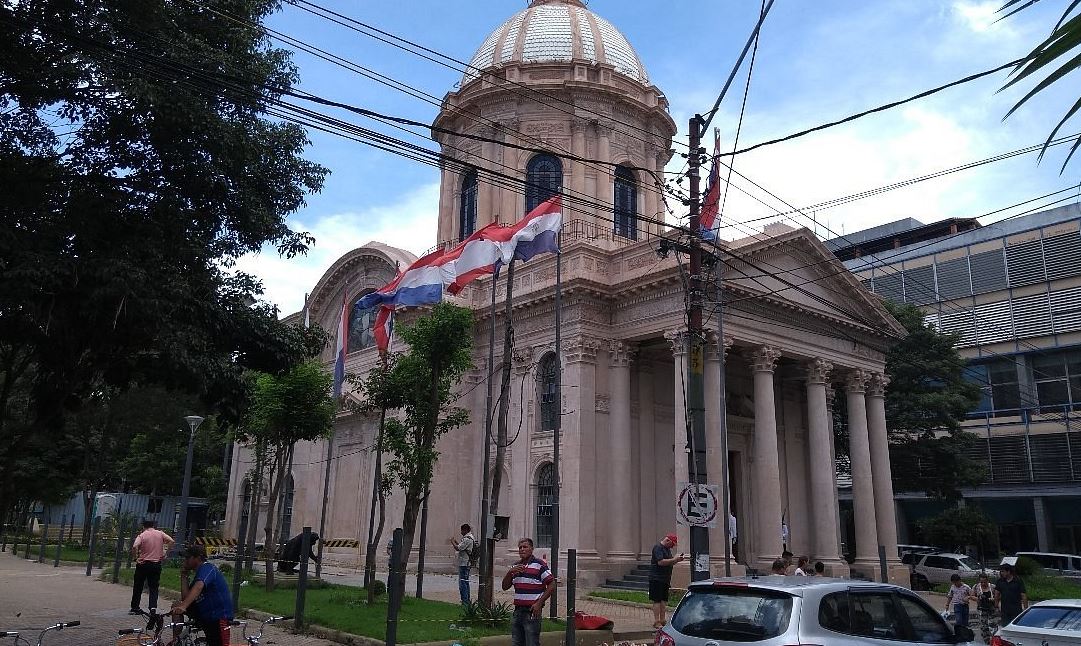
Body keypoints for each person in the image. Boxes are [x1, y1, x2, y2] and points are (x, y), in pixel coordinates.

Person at [171, 544, 233, 646]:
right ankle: (176, 641)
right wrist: (184, 576)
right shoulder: (198, 574)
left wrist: (183, 606)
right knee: (176, 605)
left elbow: (199, 586)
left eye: (188, 557)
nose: (185, 561)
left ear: (198, 558)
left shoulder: (207, 568)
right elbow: (186, 598)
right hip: (206, 614)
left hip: (219, 616)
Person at [501, 537, 555, 646]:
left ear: (531, 549)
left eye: (525, 547)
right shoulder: (515, 566)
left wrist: (539, 603)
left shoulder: (539, 565)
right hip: (517, 612)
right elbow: (505, 587)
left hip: (531, 612)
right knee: (517, 642)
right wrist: (509, 572)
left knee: (532, 642)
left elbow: (552, 584)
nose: (522, 549)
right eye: (520, 547)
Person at [129, 519, 174, 614]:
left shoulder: (142, 535)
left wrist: (135, 558)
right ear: (153, 526)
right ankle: (152, 607)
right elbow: (171, 541)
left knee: (138, 586)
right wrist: (166, 553)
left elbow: (134, 546)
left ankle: (135, 607)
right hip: (156, 564)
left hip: (143, 564)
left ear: (143, 526)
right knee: (153, 587)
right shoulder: (160, 533)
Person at [648, 533, 685, 628]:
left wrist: (675, 559)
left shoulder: (667, 549)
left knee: (663, 600)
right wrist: (675, 560)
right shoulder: (658, 548)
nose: (672, 547)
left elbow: (669, 561)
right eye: (672, 544)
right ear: (668, 540)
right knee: (657, 600)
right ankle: (657, 621)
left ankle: (663, 619)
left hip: (665, 578)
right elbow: (661, 562)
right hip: (656, 578)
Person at [450, 523, 476, 605]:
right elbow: (462, 546)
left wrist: (452, 542)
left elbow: (458, 548)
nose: (461, 532)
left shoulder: (468, 539)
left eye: (462, 530)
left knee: (463, 583)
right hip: (465, 562)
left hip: (464, 563)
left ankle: (465, 601)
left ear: (465, 530)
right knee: (465, 582)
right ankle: (466, 600)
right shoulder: (469, 538)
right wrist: (457, 542)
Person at [970, 572, 997, 643]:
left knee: (993, 626)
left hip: (992, 609)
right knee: (983, 627)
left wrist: (993, 599)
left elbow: (998, 597)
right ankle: (987, 642)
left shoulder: (993, 587)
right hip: (981, 609)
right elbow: (972, 596)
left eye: (984, 582)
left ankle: (995, 641)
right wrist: (978, 598)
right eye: (981, 582)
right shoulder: (976, 587)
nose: (983, 584)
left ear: (987, 580)